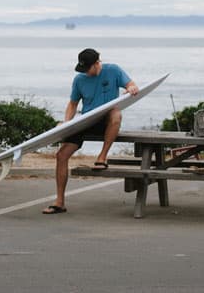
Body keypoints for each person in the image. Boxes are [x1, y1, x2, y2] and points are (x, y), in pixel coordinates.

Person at [43, 48, 138, 215]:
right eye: (83, 69)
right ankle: (59, 202)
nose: (85, 72)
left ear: (97, 63)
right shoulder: (79, 79)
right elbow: (73, 104)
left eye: (88, 68)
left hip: (106, 120)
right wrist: (66, 124)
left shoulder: (113, 70)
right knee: (61, 155)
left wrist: (131, 88)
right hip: (86, 120)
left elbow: (131, 84)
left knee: (116, 113)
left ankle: (102, 157)